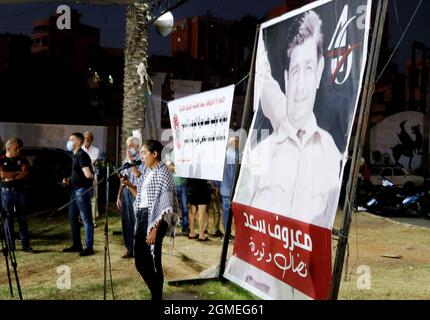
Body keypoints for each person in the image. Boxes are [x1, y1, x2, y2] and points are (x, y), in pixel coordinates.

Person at [235, 10, 341, 228]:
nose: (301, 86)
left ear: (320, 71)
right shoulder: (262, 152)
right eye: (294, 72)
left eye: (309, 68)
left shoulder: (329, 152)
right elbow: (266, 86)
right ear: (285, 77)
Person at [121, 140, 178, 300]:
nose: (142, 156)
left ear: (155, 154)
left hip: (156, 220)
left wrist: (154, 229)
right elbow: (140, 195)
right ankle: (156, 294)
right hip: (143, 216)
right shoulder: (147, 170)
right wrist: (130, 185)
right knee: (140, 261)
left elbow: (165, 205)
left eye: (145, 152)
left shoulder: (163, 173)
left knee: (153, 261)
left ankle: (156, 296)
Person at [62, 132, 95, 256]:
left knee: (86, 219)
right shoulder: (75, 155)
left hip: (82, 191)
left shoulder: (82, 156)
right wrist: (69, 179)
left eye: (71, 139)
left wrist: (90, 175)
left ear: (78, 142)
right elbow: (78, 174)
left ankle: (89, 247)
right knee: (72, 217)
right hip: (75, 191)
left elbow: (88, 174)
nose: (69, 141)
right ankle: (77, 244)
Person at [0, 138, 34, 253]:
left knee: (22, 219)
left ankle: (26, 245)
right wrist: (17, 172)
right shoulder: (1, 159)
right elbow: (2, 174)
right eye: (16, 148)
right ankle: (10, 245)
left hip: (20, 192)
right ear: (9, 148)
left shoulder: (22, 159)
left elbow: (26, 173)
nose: (19, 150)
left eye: (19, 148)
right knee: (7, 219)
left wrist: (12, 177)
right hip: (6, 192)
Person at [116, 136, 143, 258]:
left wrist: (131, 161)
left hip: (137, 193)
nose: (128, 148)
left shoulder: (142, 160)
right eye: (127, 145)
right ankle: (129, 249)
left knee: (137, 221)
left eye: (130, 145)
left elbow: (138, 174)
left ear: (137, 147)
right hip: (126, 192)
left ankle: (139, 249)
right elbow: (123, 179)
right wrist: (119, 196)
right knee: (126, 222)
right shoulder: (125, 161)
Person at [164, 147, 189, 234]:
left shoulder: (186, 154)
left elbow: (186, 168)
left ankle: (185, 227)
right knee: (172, 208)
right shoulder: (169, 154)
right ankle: (171, 228)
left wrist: (176, 168)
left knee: (185, 208)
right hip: (173, 185)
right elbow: (169, 168)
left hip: (183, 184)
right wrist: (180, 168)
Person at [220, 136, 239, 232]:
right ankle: (231, 232)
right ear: (234, 144)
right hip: (231, 189)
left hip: (223, 188)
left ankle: (226, 233)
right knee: (232, 213)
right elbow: (234, 174)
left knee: (226, 212)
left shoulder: (223, 155)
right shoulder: (235, 155)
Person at [82, 131, 100, 228]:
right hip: (81, 178)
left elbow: (91, 163)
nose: (87, 139)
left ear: (92, 139)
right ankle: (83, 219)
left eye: (89, 138)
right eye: (85, 138)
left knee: (93, 199)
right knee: (82, 198)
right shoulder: (80, 149)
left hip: (92, 177)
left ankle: (93, 220)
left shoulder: (96, 150)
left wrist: (84, 162)